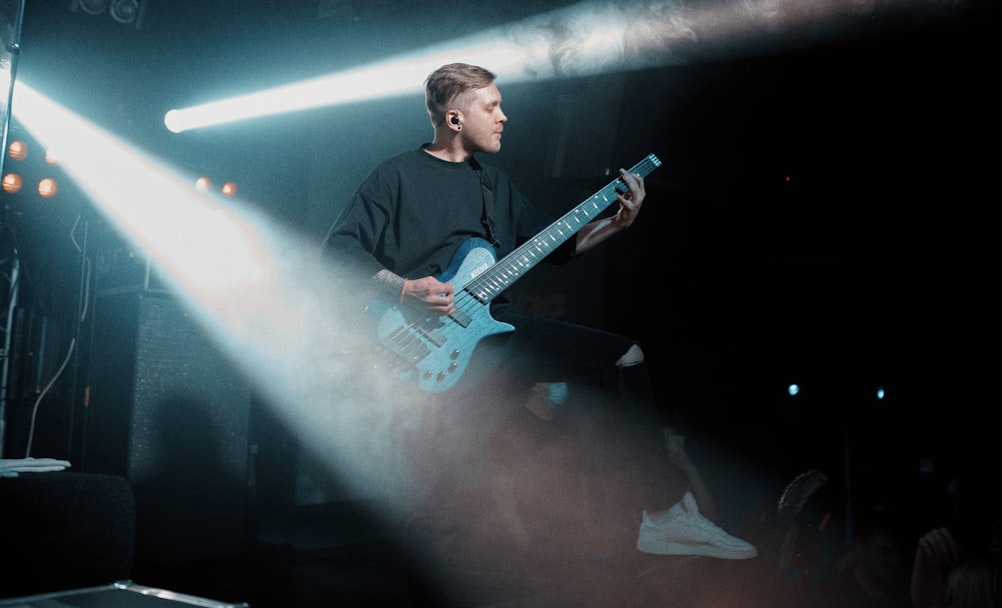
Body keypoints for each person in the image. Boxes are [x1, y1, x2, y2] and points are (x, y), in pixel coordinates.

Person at [320, 62, 756, 562]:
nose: (504, 116)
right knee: (444, 502)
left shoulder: (495, 188)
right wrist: (403, 289)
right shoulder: (396, 175)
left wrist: (618, 224)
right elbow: (339, 251)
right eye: (492, 106)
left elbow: (557, 248)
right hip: (424, 347)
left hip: (496, 333)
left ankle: (661, 515)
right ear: (455, 118)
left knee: (627, 356)